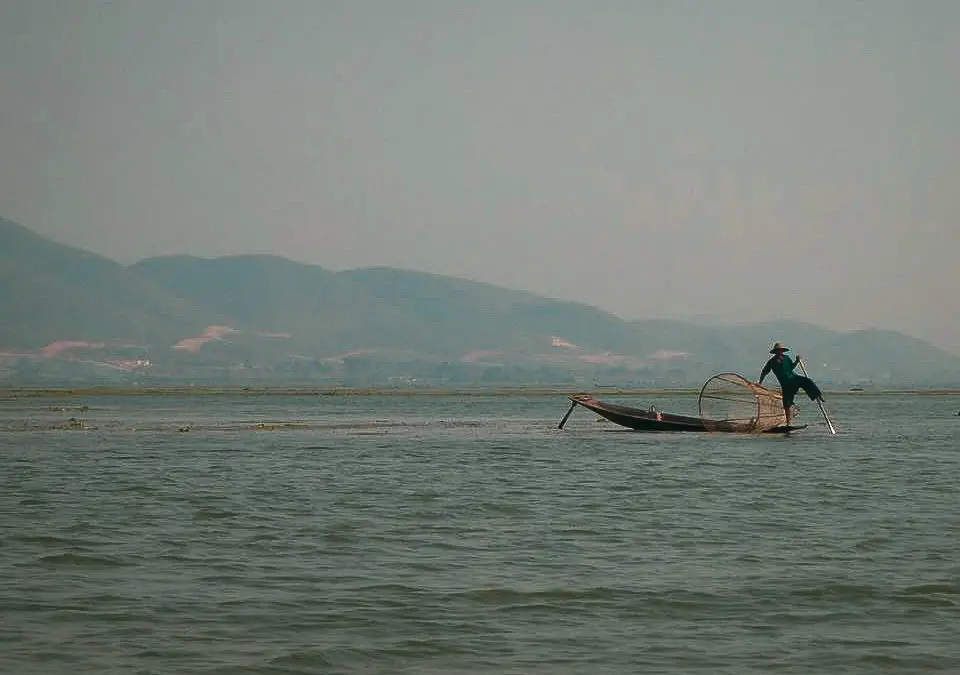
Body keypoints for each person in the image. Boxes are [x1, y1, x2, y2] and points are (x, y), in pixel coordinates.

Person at [758, 342, 823, 426]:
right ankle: (788, 424)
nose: (779, 352)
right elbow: (764, 372)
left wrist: (796, 361)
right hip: (785, 384)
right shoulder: (772, 362)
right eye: (778, 351)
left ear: (782, 351)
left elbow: (791, 367)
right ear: (775, 352)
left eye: (780, 351)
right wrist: (760, 382)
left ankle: (818, 395)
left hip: (793, 378)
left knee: (807, 381)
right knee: (786, 404)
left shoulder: (786, 358)